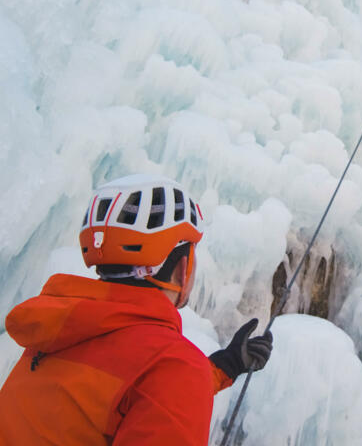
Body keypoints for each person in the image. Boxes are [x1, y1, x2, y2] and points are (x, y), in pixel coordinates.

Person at [0, 174, 273, 445]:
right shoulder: (172, 366)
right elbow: (154, 381)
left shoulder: (61, 330)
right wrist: (192, 377)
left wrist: (222, 367)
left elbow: (112, 397)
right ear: (182, 267)